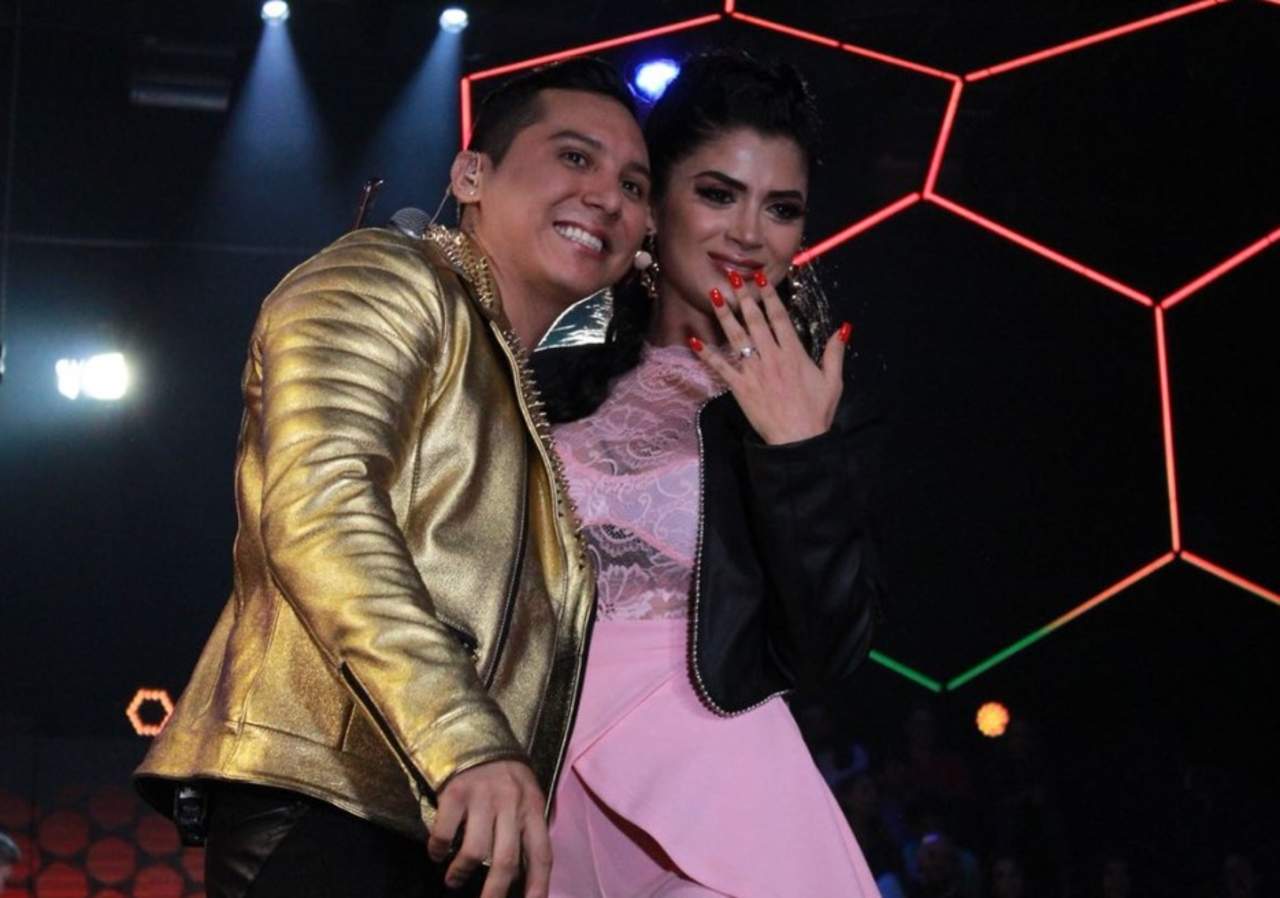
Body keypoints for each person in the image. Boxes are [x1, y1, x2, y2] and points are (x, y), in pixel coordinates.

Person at [133, 57, 651, 898]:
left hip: (439, 823)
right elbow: (317, 503)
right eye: (574, 157)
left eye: (633, 185)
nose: (608, 196)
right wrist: (465, 738)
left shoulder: (510, 379)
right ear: (471, 176)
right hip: (331, 802)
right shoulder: (383, 275)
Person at [534, 50, 888, 896]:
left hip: (714, 788)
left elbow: (828, 650)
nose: (748, 234)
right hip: (535, 778)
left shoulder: (816, 399)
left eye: (781, 208)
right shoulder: (553, 372)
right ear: (655, 202)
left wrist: (796, 452)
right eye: (719, 194)